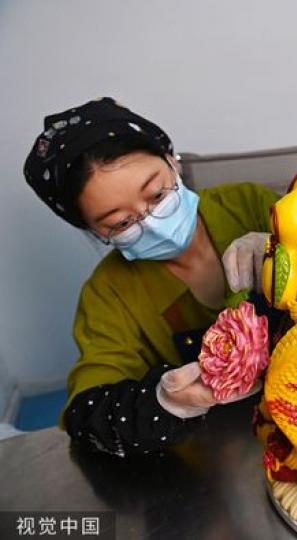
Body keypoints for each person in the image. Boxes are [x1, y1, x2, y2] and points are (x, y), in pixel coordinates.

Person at [23, 97, 281, 457]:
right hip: (214, 456)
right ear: (97, 233)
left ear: (171, 160)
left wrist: (284, 249)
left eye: (157, 194)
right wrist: (163, 403)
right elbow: (87, 413)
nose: (151, 222)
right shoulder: (108, 294)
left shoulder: (247, 205)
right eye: (121, 223)